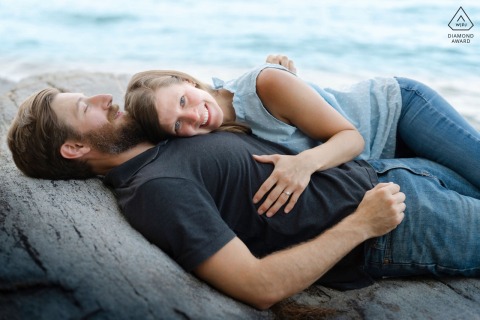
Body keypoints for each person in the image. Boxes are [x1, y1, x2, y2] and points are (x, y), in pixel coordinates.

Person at [6, 86, 480, 310]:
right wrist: (363, 224)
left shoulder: (157, 142)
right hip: (399, 225)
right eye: (86, 106)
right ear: (74, 148)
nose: (105, 97)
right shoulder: (155, 192)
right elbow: (257, 285)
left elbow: (218, 96)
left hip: (385, 168)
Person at [125, 55, 480, 217]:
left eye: (184, 100)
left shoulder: (265, 84)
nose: (193, 116)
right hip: (380, 158)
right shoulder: (217, 129)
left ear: (186, 80)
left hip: (397, 111)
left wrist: (303, 165)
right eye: (177, 124)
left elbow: (350, 137)